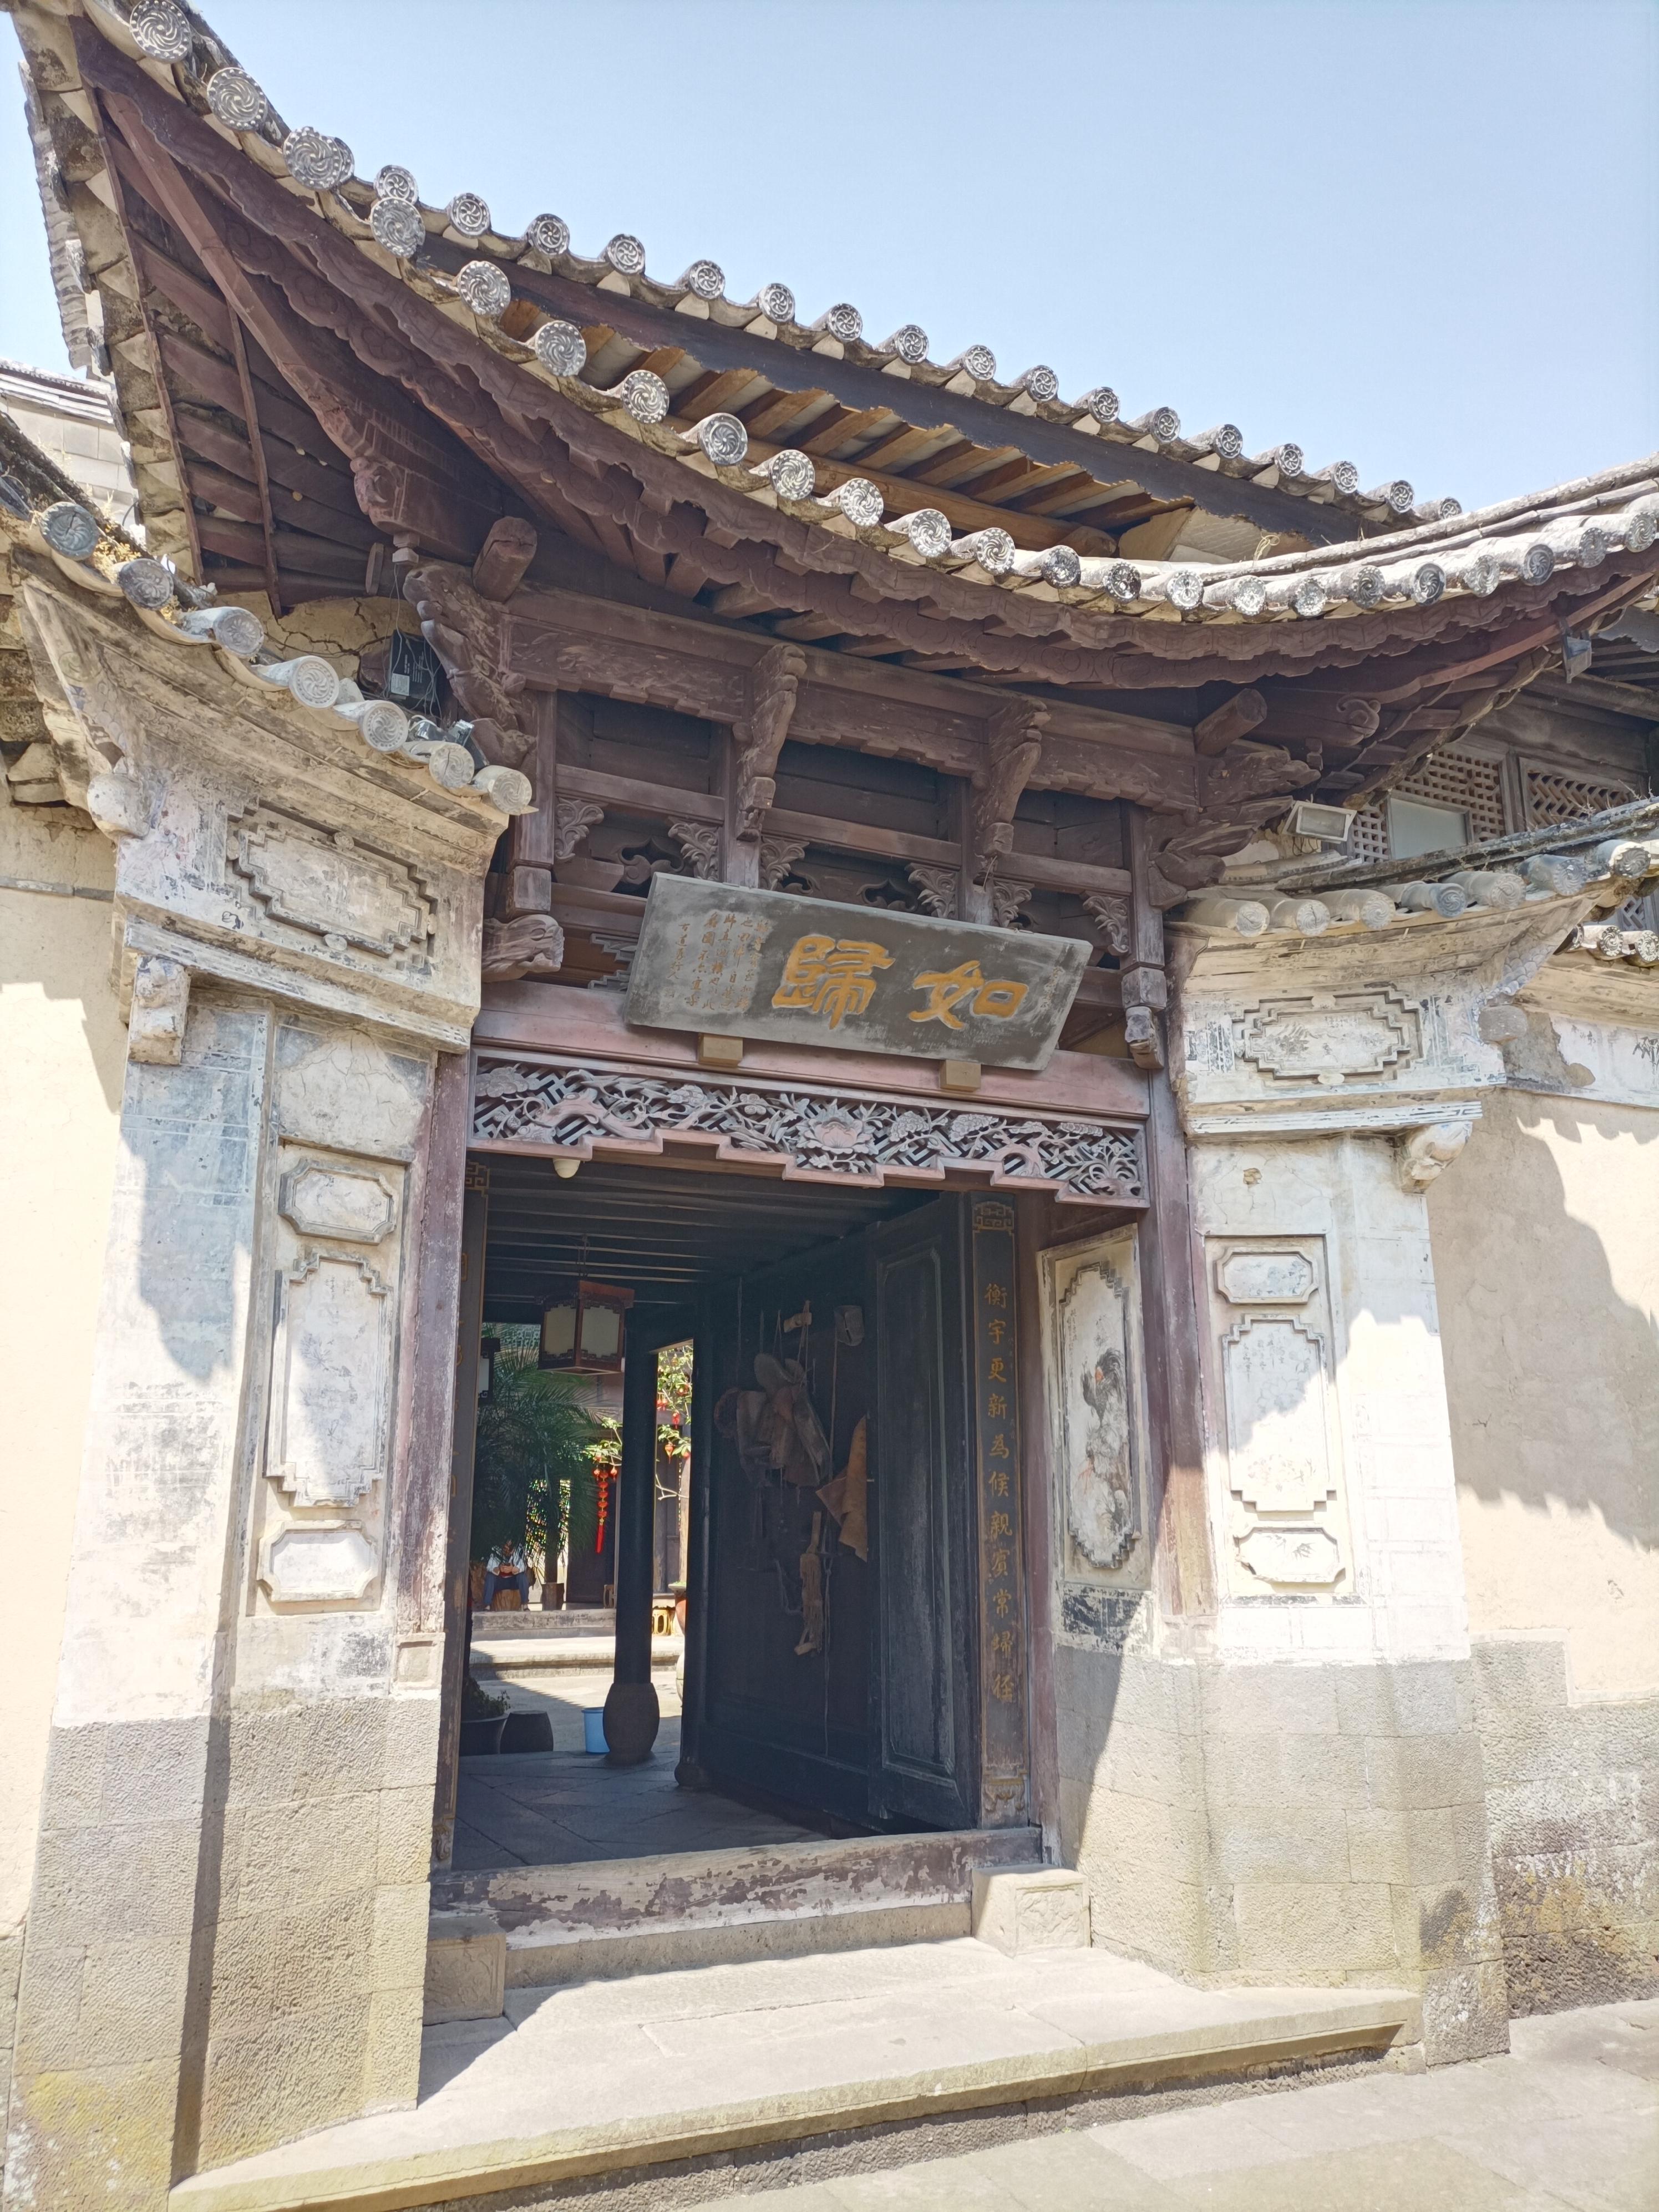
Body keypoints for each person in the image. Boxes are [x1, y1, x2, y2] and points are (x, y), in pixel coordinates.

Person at [481, 1539, 529, 1610]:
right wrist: (499, 1569)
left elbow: (523, 1567)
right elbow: (490, 1567)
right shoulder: (496, 1551)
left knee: (522, 1577)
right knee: (490, 1577)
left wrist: (512, 1569)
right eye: (505, 1548)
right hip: (500, 1582)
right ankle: (487, 1606)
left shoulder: (518, 1550)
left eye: (509, 1548)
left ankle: (525, 1605)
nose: (507, 1551)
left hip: (513, 1581)